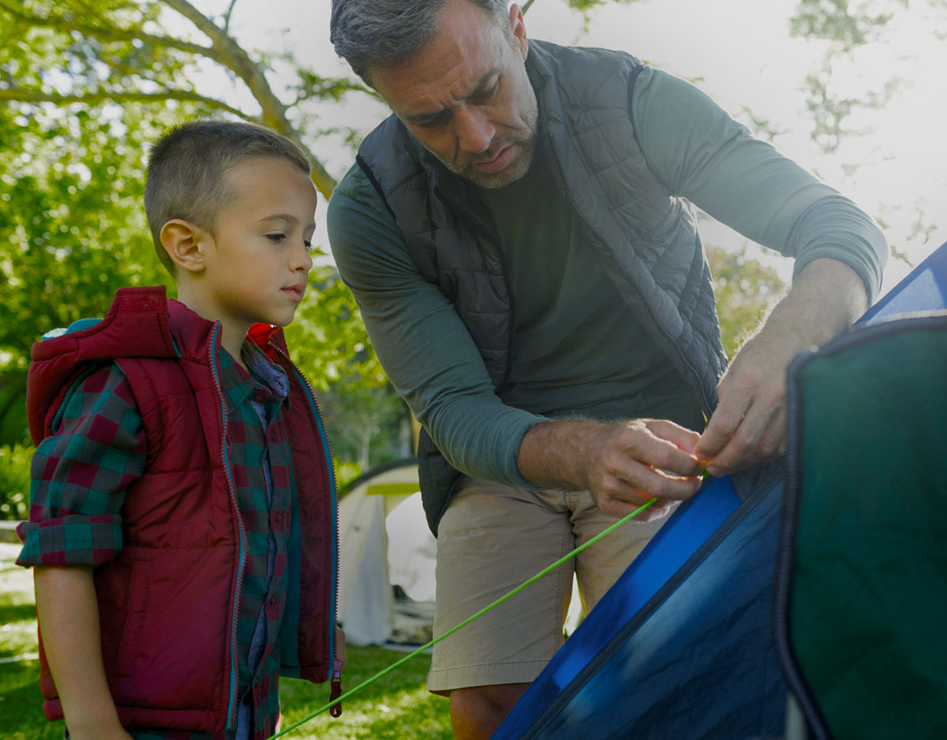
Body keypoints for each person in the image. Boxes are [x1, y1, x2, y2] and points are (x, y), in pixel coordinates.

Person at [327, 1, 886, 736]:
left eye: (486, 88)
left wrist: (789, 342)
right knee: (489, 704)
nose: (477, 136)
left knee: (681, 680)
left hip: (669, 449)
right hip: (498, 458)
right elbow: (454, 407)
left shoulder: (632, 102)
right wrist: (584, 451)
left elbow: (839, 228)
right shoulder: (367, 208)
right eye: (430, 120)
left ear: (516, 27)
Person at [16, 120, 345, 740]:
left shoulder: (266, 387)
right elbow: (62, 554)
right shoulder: (122, 382)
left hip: (239, 716)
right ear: (189, 247)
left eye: (306, 237)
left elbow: (258, 545)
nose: (302, 258)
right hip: (140, 723)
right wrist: (91, 722)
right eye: (276, 235)